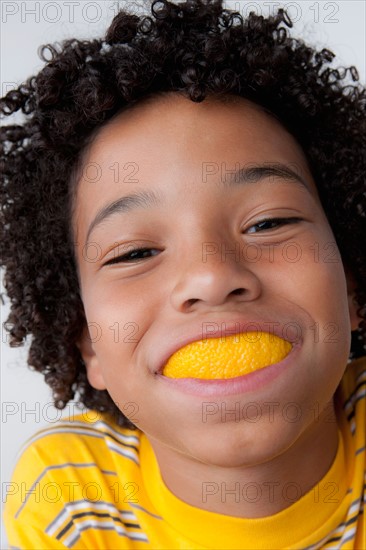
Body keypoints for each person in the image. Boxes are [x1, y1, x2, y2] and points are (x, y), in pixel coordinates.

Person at [1, 1, 365, 548]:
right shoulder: (71, 498)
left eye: (268, 222)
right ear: (87, 342)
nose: (212, 277)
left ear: (354, 284)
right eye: (134, 253)